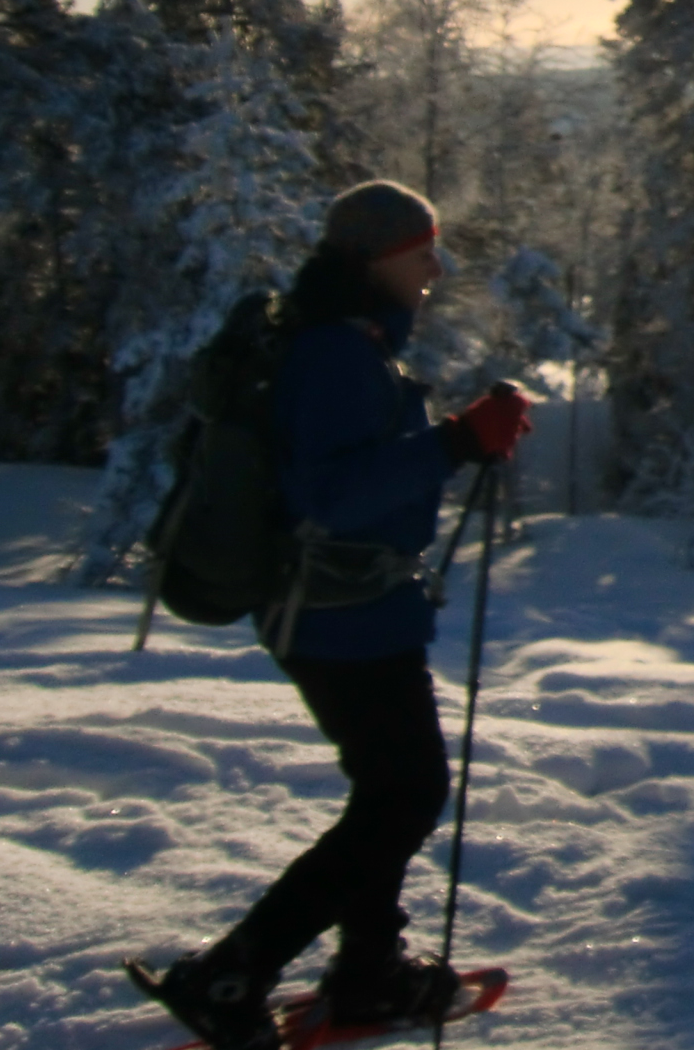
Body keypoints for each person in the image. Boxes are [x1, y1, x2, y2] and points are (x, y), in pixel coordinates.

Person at [133, 181, 533, 1050]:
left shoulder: (343, 341)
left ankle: (366, 974)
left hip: (348, 608)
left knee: (391, 793)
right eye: (420, 251)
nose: (435, 267)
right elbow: (329, 492)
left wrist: (454, 441)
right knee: (403, 795)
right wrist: (457, 442)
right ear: (374, 258)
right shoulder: (336, 355)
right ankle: (236, 972)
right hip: (337, 615)